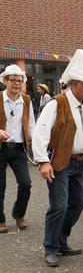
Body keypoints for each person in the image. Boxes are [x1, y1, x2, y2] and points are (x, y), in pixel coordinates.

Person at [32, 66, 83, 267]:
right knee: (59, 206)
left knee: (78, 203)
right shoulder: (57, 103)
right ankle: (51, 248)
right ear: (74, 84)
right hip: (60, 162)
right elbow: (40, 133)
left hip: (80, 162)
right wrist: (43, 161)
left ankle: (61, 240)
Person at [0, 65, 35, 234]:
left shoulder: (26, 100)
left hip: (19, 148)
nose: (16, 83)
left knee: (26, 184)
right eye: (13, 80)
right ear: (5, 81)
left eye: (19, 81)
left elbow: (31, 124)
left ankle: (19, 214)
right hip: (1, 148)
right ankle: (0, 220)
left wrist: (35, 143)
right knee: (0, 186)